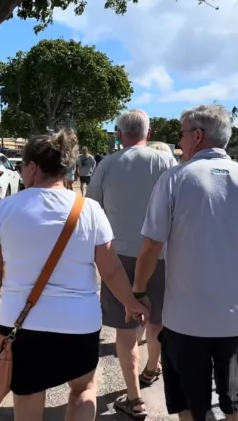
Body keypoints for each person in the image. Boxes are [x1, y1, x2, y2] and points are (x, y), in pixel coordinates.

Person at [0, 128, 150, 421]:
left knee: (27, 397)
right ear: (67, 168)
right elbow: (111, 269)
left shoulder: (6, 209)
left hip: (22, 325)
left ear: (31, 167)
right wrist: (131, 302)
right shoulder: (89, 209)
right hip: (78, 323)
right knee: (83, 390)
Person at [132, 104, 238, 421]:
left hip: (185, 320)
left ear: (197, 135)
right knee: (237, 399)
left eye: (182, 134)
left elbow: (150, 247)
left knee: (189, 403)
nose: (180, 141)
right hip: (236, 318)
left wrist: (139, 290)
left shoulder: (175, 179)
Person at [86, 109, 175, 419]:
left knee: (126, 328)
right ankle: (152, 366)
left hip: (119, 255)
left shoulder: (106, 165)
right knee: (157, 317)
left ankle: (135, 397)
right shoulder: (165, 162)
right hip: (161, 254)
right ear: (147, 134)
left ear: (119, 134)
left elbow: (92, 210)